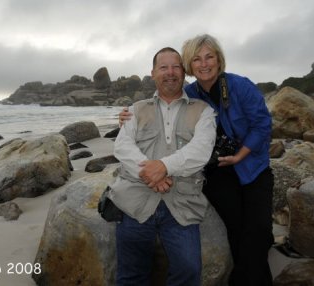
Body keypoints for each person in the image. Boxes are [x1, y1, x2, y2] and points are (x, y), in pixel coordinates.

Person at [120, 34, 274, 286]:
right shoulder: (189, 95)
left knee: (258, 231)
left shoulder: (240, 86)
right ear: (189, 67)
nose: (204, 64)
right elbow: (163, 101)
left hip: (252, 167)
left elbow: (262, 124)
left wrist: (240, 155)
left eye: (209, 57)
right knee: (236, 228)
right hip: (218, 172)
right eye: (196, 59)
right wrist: (128, 117)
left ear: (219, 59)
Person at [108, 47, 216, 286]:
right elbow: (123, 146)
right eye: (163, 67)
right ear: (153, 73)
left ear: (184, 72)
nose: (170, 72)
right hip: (135, 202)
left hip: (182, 204)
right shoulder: (135, 110)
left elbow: (201, 151)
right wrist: (149, 173)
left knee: (189, 272)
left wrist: (164, 167)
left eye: (176, 66)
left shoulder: (204, 112)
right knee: (131, 277)